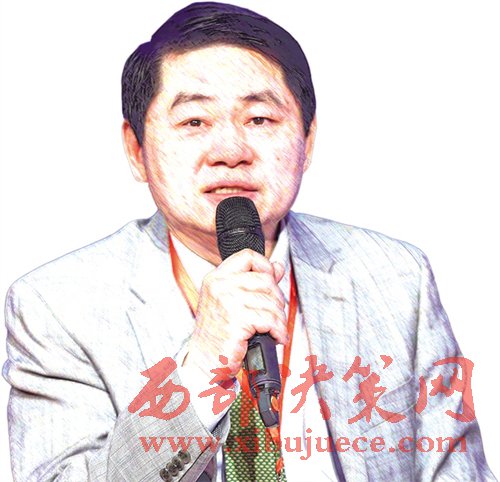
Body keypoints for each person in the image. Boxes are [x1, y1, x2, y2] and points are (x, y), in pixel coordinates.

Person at [2, 2, 496, 481]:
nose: (230, 151)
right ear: (136, 150)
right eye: (194, 122)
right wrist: (200, 367)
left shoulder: (396, 277)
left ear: (308, 141)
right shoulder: (56, 306)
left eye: (259, 119)